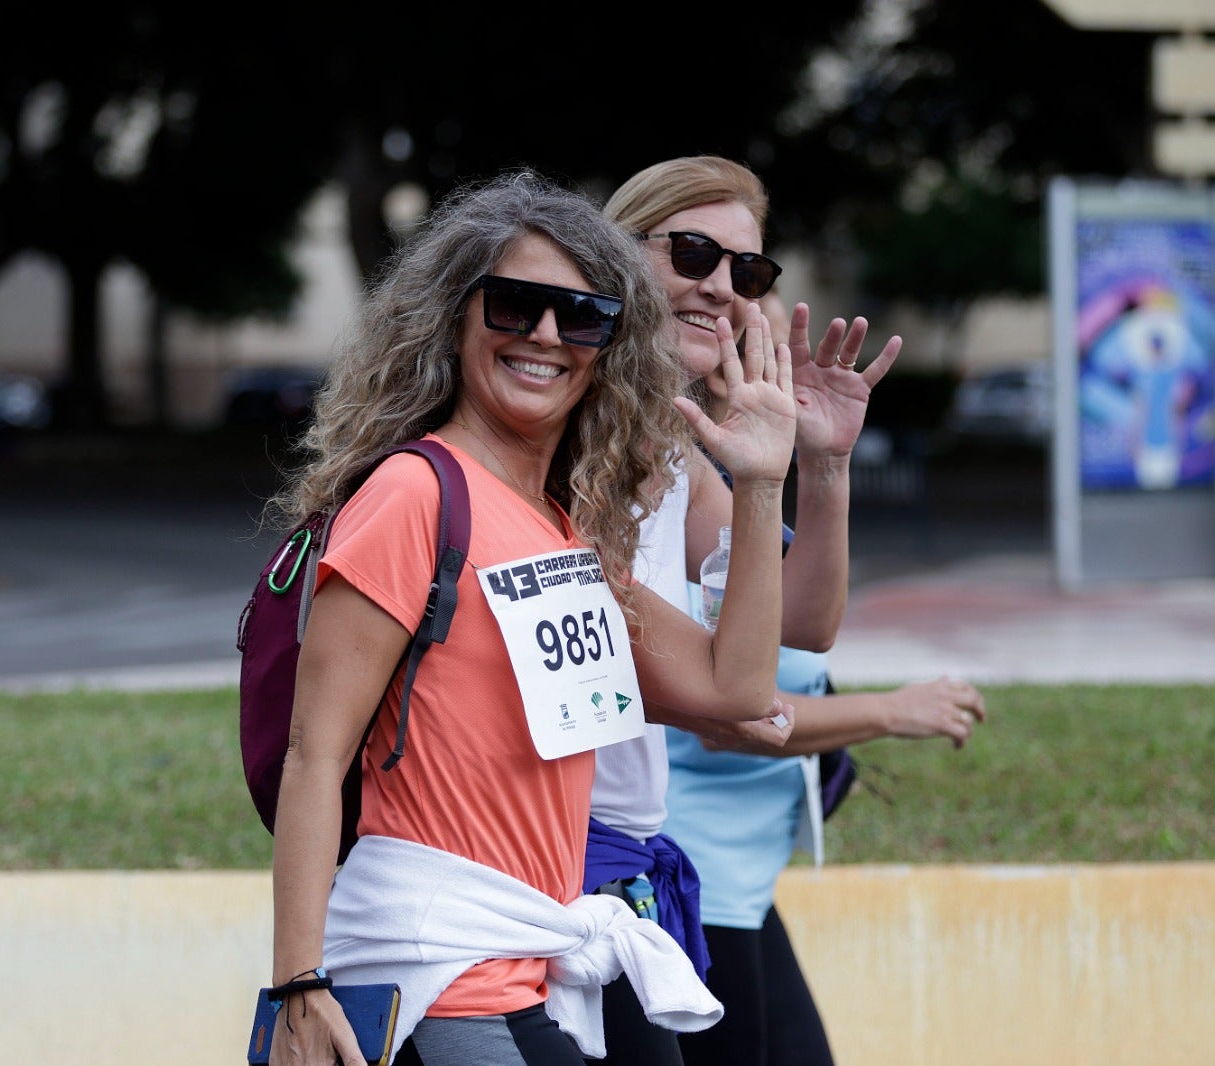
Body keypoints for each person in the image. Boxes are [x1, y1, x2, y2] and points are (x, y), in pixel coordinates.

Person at [264, 168, 801, 1066]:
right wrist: (297, 985)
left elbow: (736, 687)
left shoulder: (563, 530)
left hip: (539, 966)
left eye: (582, 316)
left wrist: (761, 480)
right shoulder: (414, 494)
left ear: (611, 349)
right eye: (516, 305)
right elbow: (314, 754)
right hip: (434, 965)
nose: (547, 335)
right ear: (456, 318)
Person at [582, 155, 899, 1066]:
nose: (722, 288)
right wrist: (886, 714)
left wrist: (822, 461)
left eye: (748, 272)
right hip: (555, 874)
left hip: (635, 868)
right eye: (692, 253)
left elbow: (802, 626)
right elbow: (736, 695)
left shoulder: (674, 449)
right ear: (611, 255)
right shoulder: (564, 433)